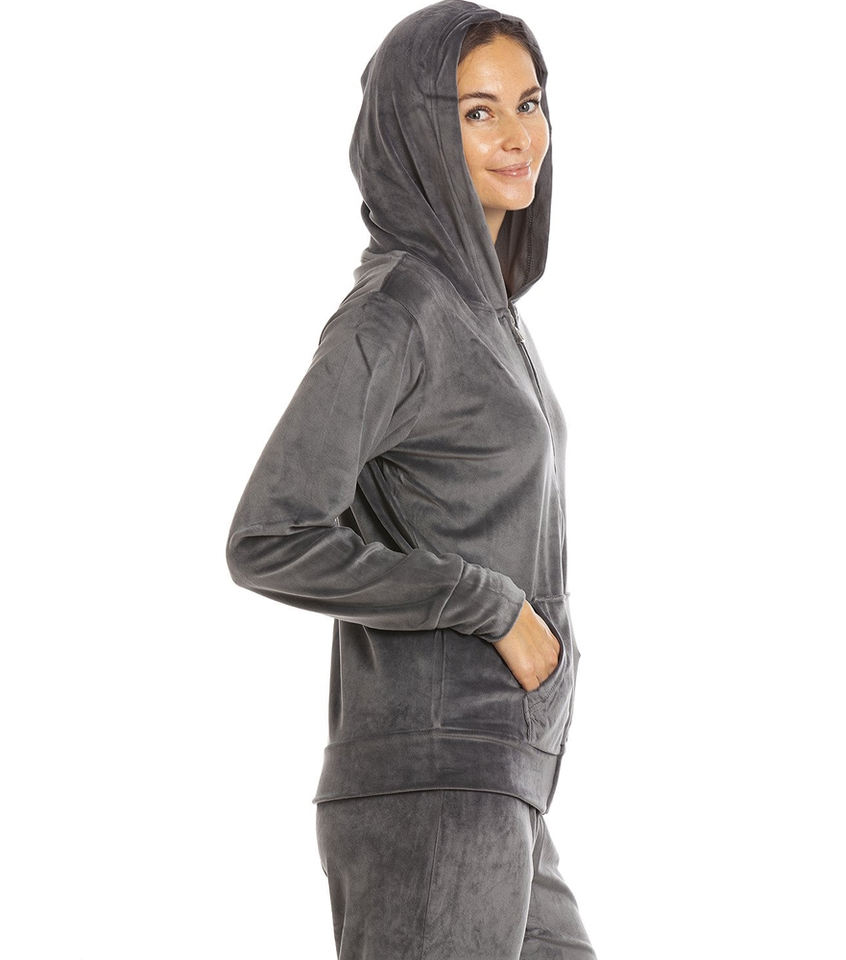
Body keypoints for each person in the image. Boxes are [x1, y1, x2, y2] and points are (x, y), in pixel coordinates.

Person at [225, 2, 596, 957]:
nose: (519, 136)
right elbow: (269, 537)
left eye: (530, 102)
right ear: (416, 130)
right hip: (434, 792)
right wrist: (490, 606)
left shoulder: (486, 313)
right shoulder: (397, 314)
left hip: (498, 781)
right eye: (478, 112)